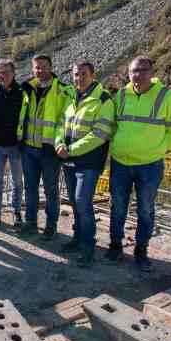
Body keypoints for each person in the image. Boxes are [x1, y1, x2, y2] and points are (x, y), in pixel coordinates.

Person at [106, 56, 171, 271]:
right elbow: (112, 125)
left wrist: (157, 150)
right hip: (120, 162)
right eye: (133, 71)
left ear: (151, 72)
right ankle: (115, 246)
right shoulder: (121, 95)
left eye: (142, 70)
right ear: (128, 74)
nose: (138, 75)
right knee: (117, 206)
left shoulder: (167, 97)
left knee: (145, 209)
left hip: (149, 165)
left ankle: (141, 251)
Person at [55, 61, 115, 268]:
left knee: (82, 202)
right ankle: (77, 238)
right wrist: (59, 143)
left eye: (83, 74)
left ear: (92, 74)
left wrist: (70, 150)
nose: (78, 78)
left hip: (89, 162)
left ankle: (88, 248)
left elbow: (99, 134)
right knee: (74, 201)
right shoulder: (71, 98)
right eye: (75, 74)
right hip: (69, 161)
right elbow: (61, 125)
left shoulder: (103, 99)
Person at [20, 55, 75, 240]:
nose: (40, 71)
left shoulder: (62, 90)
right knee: (30, 188)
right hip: (28, 147)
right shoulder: (27, 88)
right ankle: (31, 223)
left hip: (50, 150)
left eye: (43, 67)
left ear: (51, 67)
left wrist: (59, 143)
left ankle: (51, 226)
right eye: (36, 67)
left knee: (51, 190)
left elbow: (65, 119)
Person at [0, 59, 29, 227]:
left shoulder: (23, 93)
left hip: (16, 146)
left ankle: (16, 212)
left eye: (6, 72)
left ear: (13, 73)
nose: (3, 75)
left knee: (17, 181)